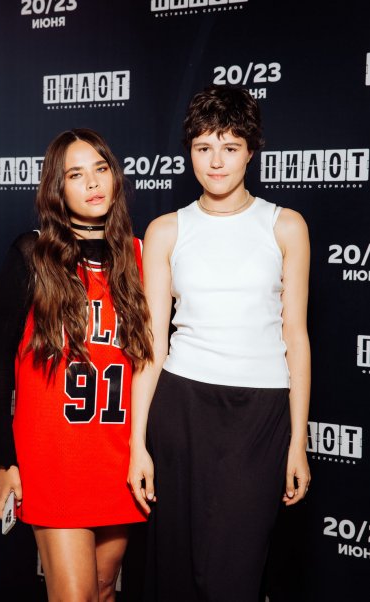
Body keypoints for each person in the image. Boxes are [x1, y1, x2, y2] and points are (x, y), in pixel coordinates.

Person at [128, 85, 311, 602]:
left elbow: (296, 338)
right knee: (178, 569)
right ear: (189, 150)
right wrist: (137, 445)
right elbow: (152, 344)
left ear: (251, 152)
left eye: (230, 147)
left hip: (260, 414)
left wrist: (297, 442)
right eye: (203, 147)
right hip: (182, 408)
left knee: (234, 573)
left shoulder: (286, 226)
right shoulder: (166, 230)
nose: (215, 161)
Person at [0, 128, 152, 602]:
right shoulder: (32, 253)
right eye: (75, 175)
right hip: (53, 458)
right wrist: (5, 461)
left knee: (104, 588)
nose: (93, 183)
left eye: (101, 169)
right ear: (56, 188)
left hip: (116, 457)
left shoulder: (139, 256)